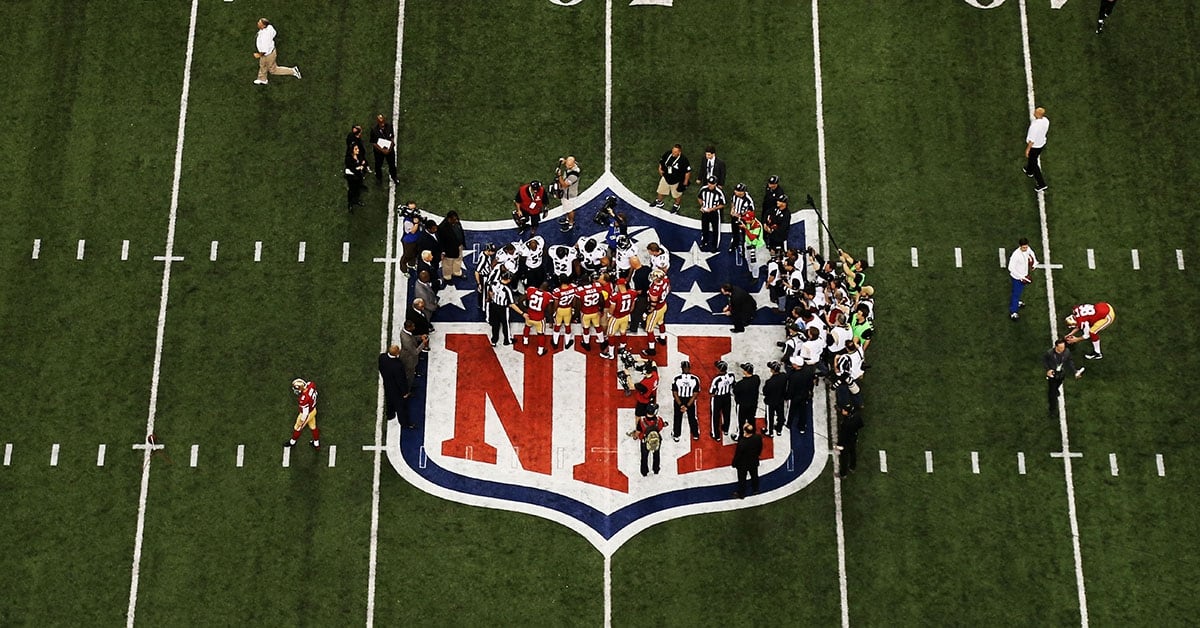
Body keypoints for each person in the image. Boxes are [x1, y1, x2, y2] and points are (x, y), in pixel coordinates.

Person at [252, 18, 301, 85]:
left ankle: (293, 71)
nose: (257, 23)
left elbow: (264, 51)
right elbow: (274, 33)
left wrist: (258, 55)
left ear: (263, 26)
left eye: (259, 23)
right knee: (262, 65)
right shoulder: (269, 27)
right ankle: (262, 79)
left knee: (273, 70)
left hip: (268, 55)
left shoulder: (265, 38)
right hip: (270, 51)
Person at [1044, 338, 1085, 416]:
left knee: (1058, 384)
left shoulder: (1066, 352)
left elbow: (1070, 361)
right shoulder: (1049, 353)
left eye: (1063, 347)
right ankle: (1052, 410)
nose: (1062, 349)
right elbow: (1045, 361)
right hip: (1052, 374)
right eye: (1060, 348)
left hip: (1061, 373)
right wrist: (1048, 369)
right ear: (1056, 347)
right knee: (1052, 394)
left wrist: (1075, 371)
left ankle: (1056, 389)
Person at [600, 280, 638, 360]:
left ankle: (611, 354)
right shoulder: (632, 293)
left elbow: (612, 308)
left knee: (610, 334)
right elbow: (632, 307)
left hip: (616, 318)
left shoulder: (616, 296)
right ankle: (622, 348)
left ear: (619, 285)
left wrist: (609, 315)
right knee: (623, 332)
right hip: (626, 316)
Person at [378, 345, 413, 429]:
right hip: (396, 390)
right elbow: (400, 381)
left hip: (387, 384)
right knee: (401, 407)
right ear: (396, 353)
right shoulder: (398, 365)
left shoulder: (382, 357)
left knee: (389, 400)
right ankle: (405, 424)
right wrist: (405, 392)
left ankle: (390, 415)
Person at [652, 144, 691, 214]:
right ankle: (659, 202)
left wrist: (685, 182)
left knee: (676, 195)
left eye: (675, 152)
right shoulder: (668, 153)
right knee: (660, 191)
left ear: (679, 152)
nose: (673, 153)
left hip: (676, 181)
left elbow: (687, 172)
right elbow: (662, 161)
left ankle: (676, 205)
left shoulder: (684, 160)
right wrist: (660, 169)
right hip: (666, 177)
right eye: (673, 151)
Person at [488, 273, 523, 347]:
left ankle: (493, 341)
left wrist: (492, 298)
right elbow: (512, 304)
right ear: (509, 280)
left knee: (495, 325)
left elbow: (490, 291)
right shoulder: (507, 290)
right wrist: (522, 313)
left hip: (494, 306)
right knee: (505, 324)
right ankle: (507, 340)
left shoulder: (494, 282)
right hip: (503, 308)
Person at [284, 378, 320, 449]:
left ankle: (292, 442)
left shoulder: (304, 399)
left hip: (307, 413)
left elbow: (305, 413)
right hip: (313, 410)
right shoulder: (311, 385)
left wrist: (302, 420)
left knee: (297, 427)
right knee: (313, 426)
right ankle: (316, 444)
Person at [1008, 238, 1038, 320]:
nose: (1025, 249)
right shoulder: (1016, 255)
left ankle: (1016, 303)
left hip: (1024, 275)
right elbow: (1010, 268)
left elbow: (1031, 253)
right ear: (1020, 246)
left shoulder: (1027, 249)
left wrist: (1035, 262)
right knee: (1016, 294)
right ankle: (1013, 311)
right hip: (1017, 277)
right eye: (1024, 247)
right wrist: (1021, 277)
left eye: (1026, 247)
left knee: (1019, 292)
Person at [670, 361, 701, 442]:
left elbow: (675, 393)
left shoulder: (677, 379)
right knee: (692, 417)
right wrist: (687, 406)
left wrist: (681, 405)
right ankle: (695, 434)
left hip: (679, 399)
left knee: (677, 418)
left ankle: (676, 435)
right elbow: (695, 394)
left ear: (682, 368)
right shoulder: (695, 379)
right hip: (689, 400)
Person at [731, 422, 763, 498]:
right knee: (754, 476)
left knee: (742, 479)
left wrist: (734, 463)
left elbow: (738, 455)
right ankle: (756, 490)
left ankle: (742, 494)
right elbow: (760, 448)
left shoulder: (742, 443)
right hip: (754, 461)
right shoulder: (758, 438)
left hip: (743, 465)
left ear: (745, 431)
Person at [731, 363, 761, 440]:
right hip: (753, 404)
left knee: (740, 421)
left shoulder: (741, 384)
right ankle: (752, 432)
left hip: (742, 405)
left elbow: (735, 392)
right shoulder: (756, 379)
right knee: (751, 418)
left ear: (745, 371)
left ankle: (739, 435)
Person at [635, 405, 666, 477]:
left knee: (644, 456)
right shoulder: (659, 420)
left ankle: (644, 471)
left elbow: (638, 432)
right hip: (656, 440)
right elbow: (660, 427)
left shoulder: (641, 421)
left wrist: (635, 436)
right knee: (656, 455)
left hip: (645, 441)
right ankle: (656, 469)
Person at [696, 176, 726, 252]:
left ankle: (714, 245)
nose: (710, 185)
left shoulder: (719, 192)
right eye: (709, 183)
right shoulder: (703, 189)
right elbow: (699, 197)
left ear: (715, 184)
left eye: (712, 184)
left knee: (716, 229)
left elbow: (722, 204)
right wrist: (702, 206)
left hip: (714, 213)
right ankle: (704, 240)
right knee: (704, 227)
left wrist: (712, 209)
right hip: (705, 212)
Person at [835, 402, 864, 478]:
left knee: (844, 458)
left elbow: (843, 436)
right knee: (853, 452)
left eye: (844, 410)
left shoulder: (846, 424)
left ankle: (843, 473)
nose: (842, 411)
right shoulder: (857, 416)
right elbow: (861, 425)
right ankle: (852, 466)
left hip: (846, 442)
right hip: (853, 438)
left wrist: (839, 445)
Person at [1024, 107, 1049, 192]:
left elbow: (1032, 140)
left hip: (1035, 146)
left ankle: (1042, 184)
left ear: (1038, 114)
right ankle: (1029, 171)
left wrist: (1027, 149)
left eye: (1035, 112)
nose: (1034, 113)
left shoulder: (1034, 126)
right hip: (1041, 143)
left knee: (1034, 162)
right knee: (1032, 159)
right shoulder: (1046, 121)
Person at [709, 361, 735, 441]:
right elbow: (733, 385)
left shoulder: (717, 379)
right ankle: (725, 430)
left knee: (715, 416)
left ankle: (716, 434)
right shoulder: (731, 376)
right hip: (727, 397)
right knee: (726, 414)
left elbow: (712, 392)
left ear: (718, 369)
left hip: (718, 398)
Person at [369, 114, 399, 184]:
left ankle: (394, 176)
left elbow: (392, 138)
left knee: (392, 164)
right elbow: (373, 143)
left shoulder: (389, 126)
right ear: (377, 122)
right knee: (378, 165)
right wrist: (382, 150)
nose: (382, 124)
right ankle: (379, 178)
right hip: (379, 152)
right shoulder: (374, 130)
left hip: (389, 150)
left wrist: (390, 148)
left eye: (383, 122)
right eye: (380, 122)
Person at [555, 156, 582, 232]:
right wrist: (564, 161)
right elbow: (569, 161)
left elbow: (564, 185)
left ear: (572, 165)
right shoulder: (573, 165)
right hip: (566, 193)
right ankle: (567, 219)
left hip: (569, 195)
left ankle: (570, 223)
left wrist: (559, 175)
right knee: (567, 209)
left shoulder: (573, 176)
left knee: (569, 210)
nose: (566, 166)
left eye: (568, 165)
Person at [727, 183, 754, 256]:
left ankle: (743, 248)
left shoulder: (748, 200)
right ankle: (735, 243)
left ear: (742, 192)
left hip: (743, 219)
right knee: (734, 231)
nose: (735, 192)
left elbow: (751, 212)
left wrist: (742, 215)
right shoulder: (735, 195)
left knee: (744, 234)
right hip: (735, 217)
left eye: (737, 191)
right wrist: (732, 209)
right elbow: (732, 202)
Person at [439, 211, 466, 283]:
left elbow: (461, 233)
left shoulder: (457, 222)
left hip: (458, 246)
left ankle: (456, 272)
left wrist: (462, 243)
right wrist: (443, 251)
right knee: (448, 264)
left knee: (458, 260)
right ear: (449, 219)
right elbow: (441, 241)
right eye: (454, 219)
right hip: (449, 250)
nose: (456, 220)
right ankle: (447, 277)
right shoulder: (442, 228)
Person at [399, 321, 426, 393]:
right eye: (413, 327)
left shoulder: (405, 333)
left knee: (411, 374)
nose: (414, 328)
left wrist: (420, 337)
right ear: (408, 328)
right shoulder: (407, 340)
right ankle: (407, 391)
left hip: (409, 356)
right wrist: (424, 343)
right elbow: (415, 352)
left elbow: (413, 338)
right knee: (409, 377)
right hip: (408, 360)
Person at [762, 361, 788, 437]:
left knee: (769, 417)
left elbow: (765, 392)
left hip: (770, 402)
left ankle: (770, 432)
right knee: (780, 415)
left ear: (772, 370)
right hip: (780, 400)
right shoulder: (784, 376)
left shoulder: (769, 382)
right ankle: (779, 430)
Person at [344, 144, 367, 211]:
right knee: (351, 190)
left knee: (357, 189)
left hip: (358, 176)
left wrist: (362, 165)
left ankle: (356, 200)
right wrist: (359, 167)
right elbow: (352, 169)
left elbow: (363, 161)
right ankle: (350, 204)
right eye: (356, 149)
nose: (358, 150)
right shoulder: (348, 159)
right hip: (352, 177)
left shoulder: (359, 155)